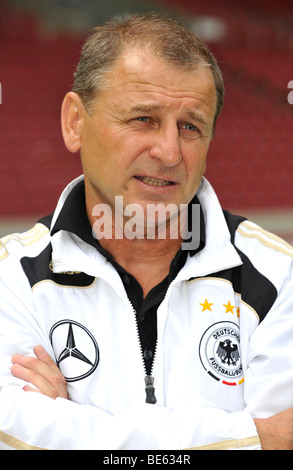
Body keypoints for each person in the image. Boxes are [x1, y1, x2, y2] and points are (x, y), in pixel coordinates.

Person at [0, 13, 292, 451]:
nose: (169, 151)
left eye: (190, 126)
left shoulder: (279, 277)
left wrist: (69, 423)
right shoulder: (11, 278)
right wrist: (255, 437)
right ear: (74, 122)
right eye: (143, 119)